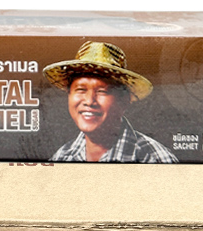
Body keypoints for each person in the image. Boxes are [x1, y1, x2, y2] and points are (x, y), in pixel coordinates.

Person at [45, 41, 177, 162]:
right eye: (81, 89)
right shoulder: (62, 157)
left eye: (102, 91)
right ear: (69, 95)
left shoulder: (155, 159)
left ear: (124, 101)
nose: (89, 101)